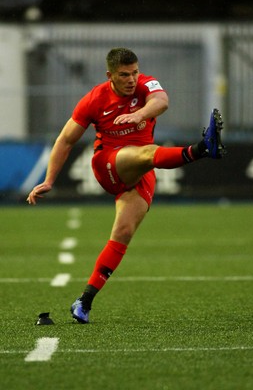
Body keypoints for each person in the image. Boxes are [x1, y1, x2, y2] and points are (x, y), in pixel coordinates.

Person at [27, 47, 226, 324]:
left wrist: (139, 114)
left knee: (122, 233)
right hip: (108, 164)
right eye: (124, 75)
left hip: (140, 170)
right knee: (147, 153)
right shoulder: (94, 99)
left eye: (134, 73)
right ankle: (202, 149)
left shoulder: (145, 84)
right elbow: (65, 140)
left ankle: (83, 302)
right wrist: (48, 179)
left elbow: (162, 101)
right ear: (110, 75)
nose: (132, 79)